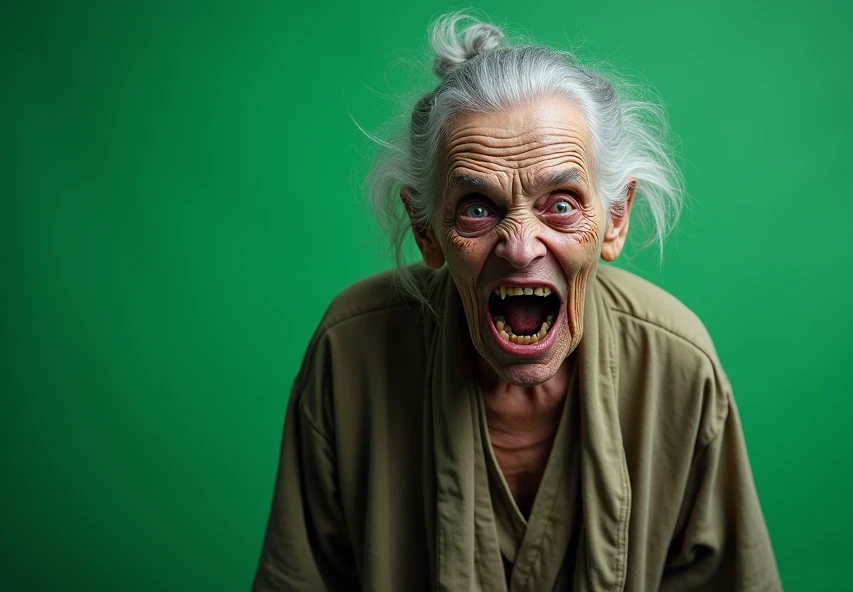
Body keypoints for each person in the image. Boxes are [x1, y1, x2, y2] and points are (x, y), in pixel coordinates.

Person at [252, 12, 781, 592]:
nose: (520, 247)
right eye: (478, 207)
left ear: (616, 219)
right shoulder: (350, 353)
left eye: (561, 203)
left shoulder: (679, 366)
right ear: (427, 231)